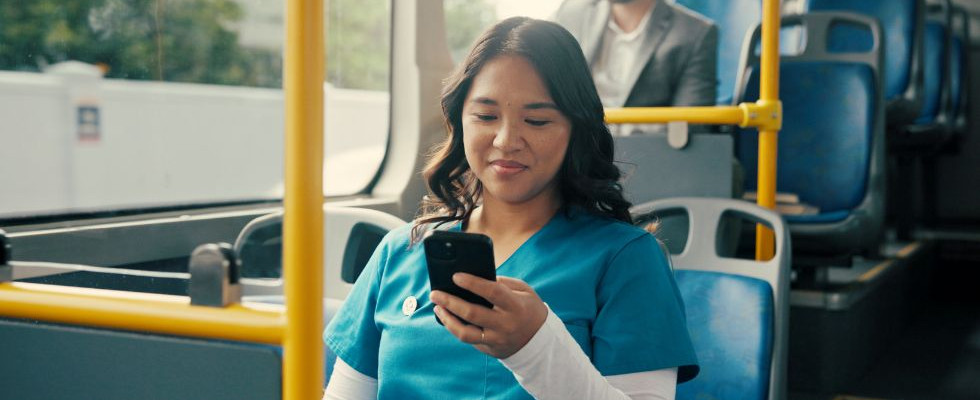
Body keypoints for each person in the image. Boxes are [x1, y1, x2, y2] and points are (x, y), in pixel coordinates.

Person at [322, 17, 698, 400]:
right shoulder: (399, 252)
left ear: (576, 129)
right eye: (485, 117)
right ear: (459, 121)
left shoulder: (625, 260)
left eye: (536, 120)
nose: (506, 140)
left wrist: (534, 345)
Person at [554, 0, 718, 134]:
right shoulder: (570, 13)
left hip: (647, 155)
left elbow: (691, 127)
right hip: (573, 151)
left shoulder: (695, 33)